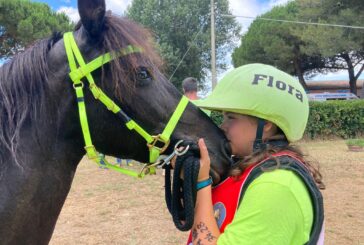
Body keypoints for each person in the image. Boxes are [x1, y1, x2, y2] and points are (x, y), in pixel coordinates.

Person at [180, 64, 325, 245]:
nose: (222, 126)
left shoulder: (276, 186)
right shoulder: (252, 167)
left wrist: (202, 183)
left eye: (231, 117)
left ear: (266, 125)